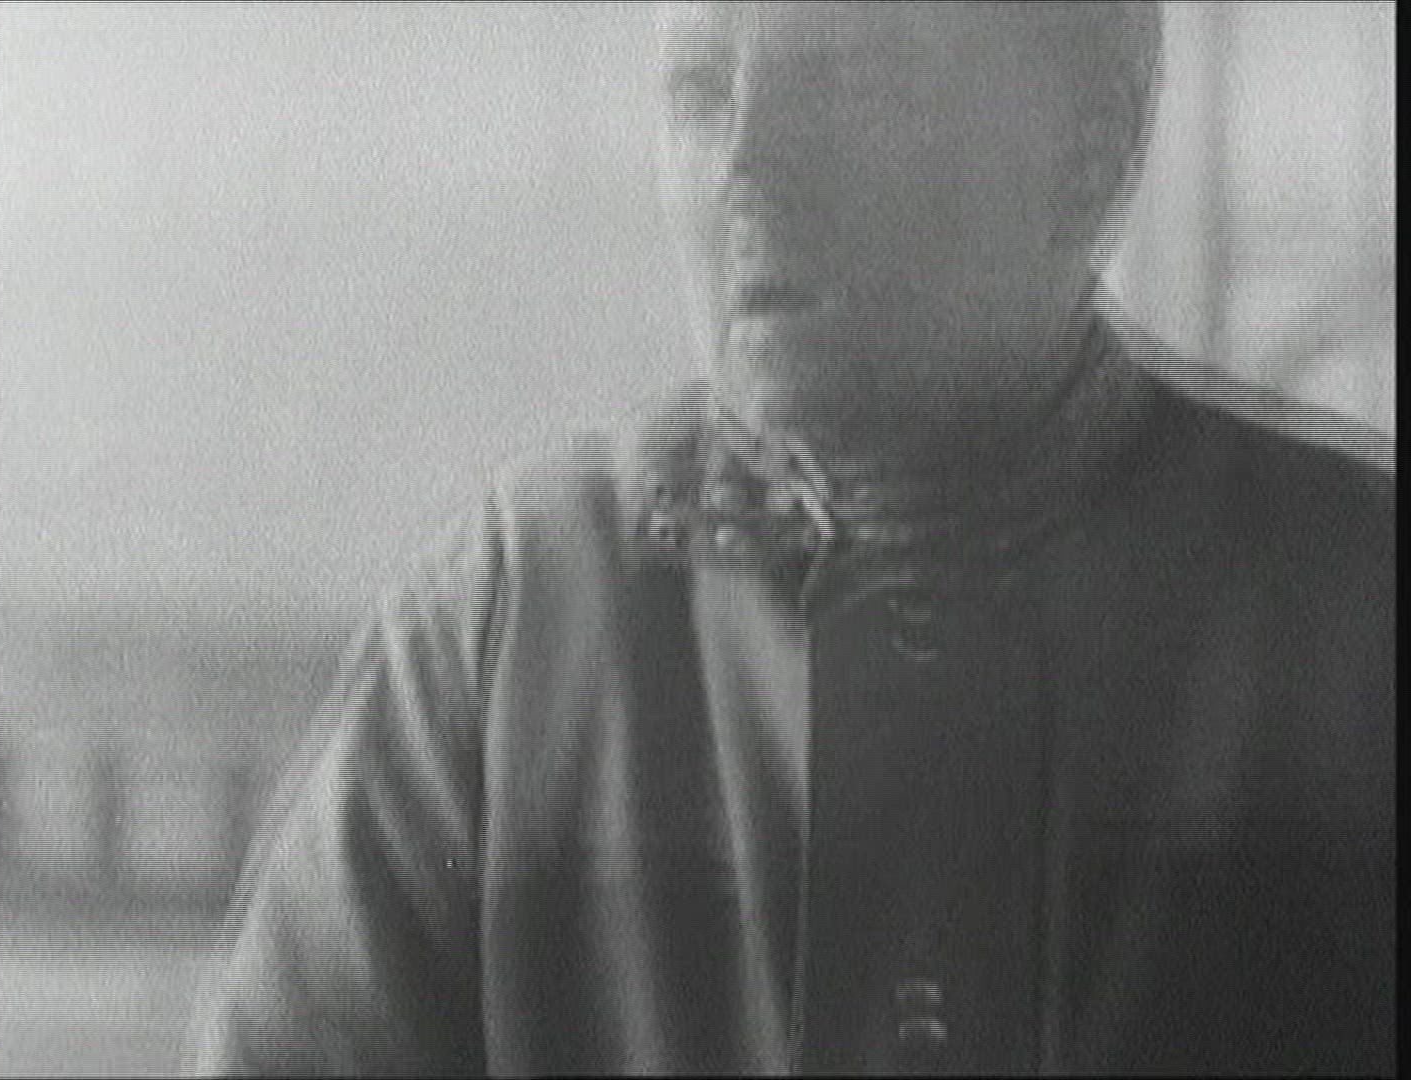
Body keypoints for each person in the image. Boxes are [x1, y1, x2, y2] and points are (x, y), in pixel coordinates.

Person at [189, 3, 1394, 1075]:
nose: (748, 172)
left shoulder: (1359, 615)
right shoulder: (507, 640)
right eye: (700, 94)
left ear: (1092, 151)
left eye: (853, 88)